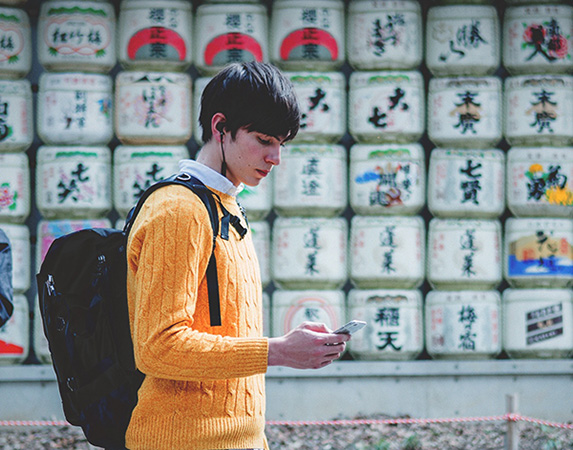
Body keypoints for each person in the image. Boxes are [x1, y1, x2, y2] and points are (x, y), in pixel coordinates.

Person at [125, 61, 350, 450]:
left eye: (281, 144)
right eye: (264, 140)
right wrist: (279, 351)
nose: (275, 157)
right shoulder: (179, 210)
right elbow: (158, 347)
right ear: (220, 128)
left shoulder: (225, 205)